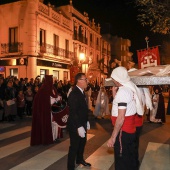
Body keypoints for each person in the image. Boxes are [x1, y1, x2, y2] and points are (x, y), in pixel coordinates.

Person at [107, 66, 143, 170]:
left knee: (121, 161)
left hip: (123, 132)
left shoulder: (123, 92)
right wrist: (115, 95)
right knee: (130, 158)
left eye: (113, 78)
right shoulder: (130, 87)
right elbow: (123, 105)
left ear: (118, 79)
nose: (113, 80)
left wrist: (113, 137)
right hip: (129, 130)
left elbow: (121, 118)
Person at [67, 73, 91, 170]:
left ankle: (80, 159)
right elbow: (73, 111)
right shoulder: (74, 94)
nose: (87, 81)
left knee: (82, 143)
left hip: (82, 123)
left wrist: (87, 121)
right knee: (74, 146)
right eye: (85, 79)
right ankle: (70, 167)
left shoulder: (82, 92)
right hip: (75, 125)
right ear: (79, 81)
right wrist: (78, 126)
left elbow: (83, 110)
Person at [30, 75, 58, 146]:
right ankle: (46, 138)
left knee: (52, 124)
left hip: (50, 110)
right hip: (46, 111)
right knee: (46, 124)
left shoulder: (48, 88)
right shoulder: (44, 89)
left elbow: (54, 95)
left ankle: (53, 137)